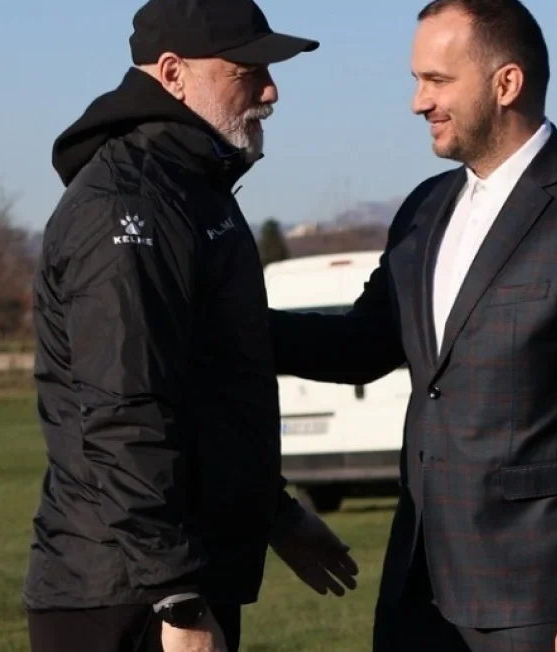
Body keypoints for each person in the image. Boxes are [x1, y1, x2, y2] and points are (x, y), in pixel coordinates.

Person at [268, 1, 557, 650]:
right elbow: (362, 344)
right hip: (416, 588)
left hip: (541, 595)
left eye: (436, 80)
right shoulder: (423, 209)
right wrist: (227, 323)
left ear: (505, 83)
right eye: (416, 80)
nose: (417, 102)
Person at [23, 1, 358, 651]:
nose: (270, 90)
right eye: (247, 71)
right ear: (173, 72)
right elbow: (126, 413)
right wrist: (176, 596)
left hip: (168, 578)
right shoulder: (127, 205)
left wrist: (274, 512)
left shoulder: (188, 190)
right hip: (125, 594)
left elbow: (219, 363)